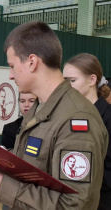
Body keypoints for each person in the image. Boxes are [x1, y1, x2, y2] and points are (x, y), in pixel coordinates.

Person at [0, 21, 108, 209]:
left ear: (32, 62)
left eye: (12, 66)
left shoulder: (77, 120)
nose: (10, 75)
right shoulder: (41, 107)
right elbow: (26, 164)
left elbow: (69, 204)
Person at [63, 53, 111, 210]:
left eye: (72, 80)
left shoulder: (108, 117)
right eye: (64, 81)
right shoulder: (69, 115)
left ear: (92, 80)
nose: (67, 86)